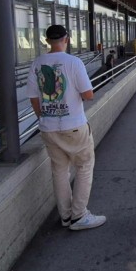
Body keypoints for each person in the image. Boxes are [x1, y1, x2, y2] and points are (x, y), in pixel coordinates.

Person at [27, 24, 106, 230]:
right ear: (67, 39)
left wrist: (45, 117)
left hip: (48, 128)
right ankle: (79, 216)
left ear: (47, 41)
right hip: (74, 126)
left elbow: (34, 97)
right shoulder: (73, 62)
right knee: (84, 166)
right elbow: (88, 95)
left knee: (59, 171)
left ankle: (65, 216)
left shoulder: (37, 64)